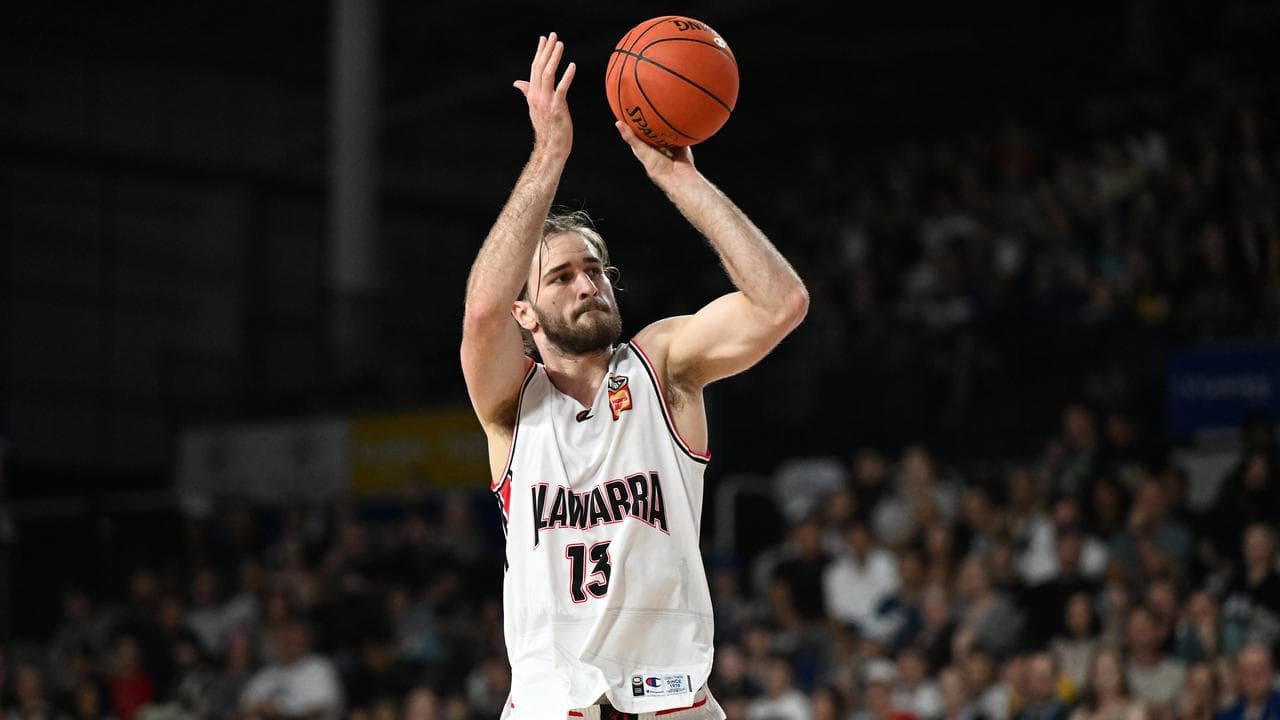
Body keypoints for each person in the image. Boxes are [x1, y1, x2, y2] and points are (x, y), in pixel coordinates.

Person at [459, 31, 809, 720]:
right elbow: (479, 312)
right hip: (551, 705)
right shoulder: (509, 405)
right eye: (561, 276)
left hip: (670, 700)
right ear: (525, 313)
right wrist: (548, 156)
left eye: (594, 269)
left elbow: (782, 303)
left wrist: (683, 180)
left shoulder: (664, 366)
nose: (587, 284)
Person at [1212, 645, 1280, 720]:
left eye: (1258, 672)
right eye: (1246, 673)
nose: (1252, 680)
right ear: (1237, 676)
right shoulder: (1224, 714)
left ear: (1271, 673)